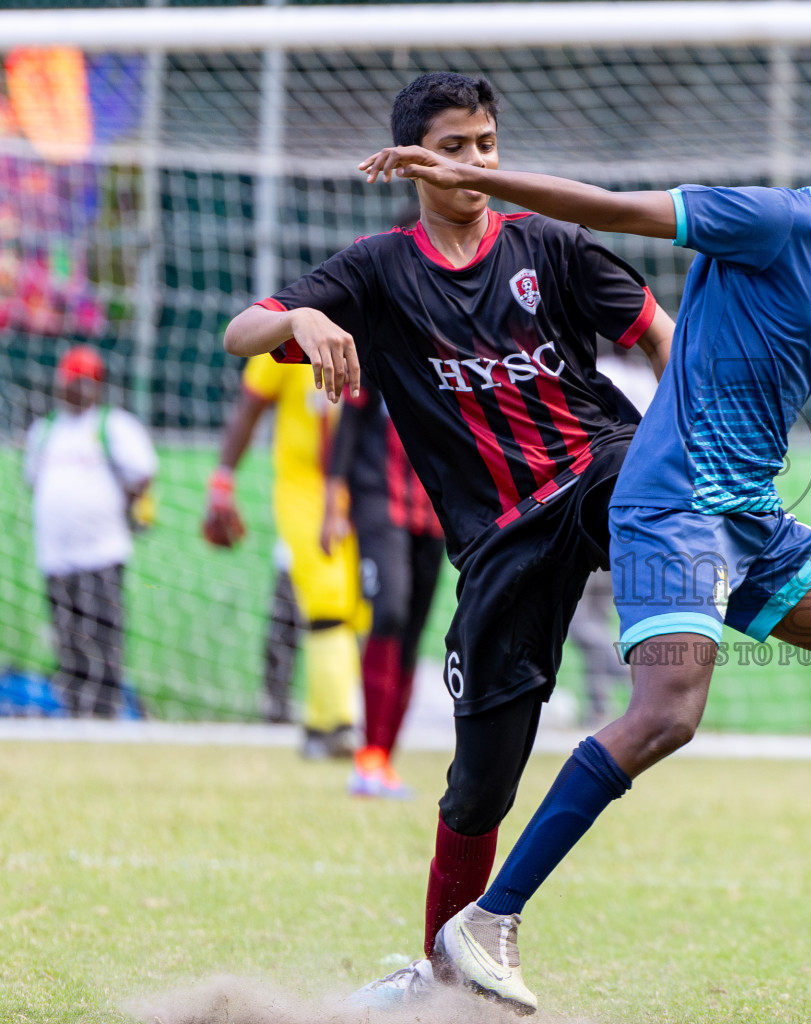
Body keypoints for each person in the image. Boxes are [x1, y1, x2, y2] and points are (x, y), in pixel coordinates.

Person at [357, 111, 811, 1010]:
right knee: (667, 714)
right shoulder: (774, 222)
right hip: (673, 509)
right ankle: (485, 923)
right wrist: (484, 185)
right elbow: (607, 207)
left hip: (749, 521)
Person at [220, 72, 675, 1006]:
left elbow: (661, 337)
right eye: (455, 146)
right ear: (411, 160)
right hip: (500, 548)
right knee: (476, 796)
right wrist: (303, 316)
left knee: (670, 490)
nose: (475, 162)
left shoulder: (552, 243)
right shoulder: (379, 270)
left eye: (488, 144)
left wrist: (683, 442)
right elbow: (241, 332)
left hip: (595, 471)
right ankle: (439, 979)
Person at [203, 349, 366, 757]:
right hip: (304, 491)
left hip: (361, 492)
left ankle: (317, 725)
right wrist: (223, 481)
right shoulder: (288, 340)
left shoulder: (378, 329)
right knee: (327, 599)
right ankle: (337, 724)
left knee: (358, 609)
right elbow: (250, 406)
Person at [321, 385, 446, 798]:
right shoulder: (380, 339)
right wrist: (333, 502)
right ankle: (369, 756)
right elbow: (351, 422)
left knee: (412, 631)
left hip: (436, 509)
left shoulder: (457, 348)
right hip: (378, 499)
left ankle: (382, 761)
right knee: (388, 612)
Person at [23, 345, 157, 718]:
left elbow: (143, 473)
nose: (80, 389)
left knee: (103, 638)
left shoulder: (112, 425)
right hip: (56, 558)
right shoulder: (45, 430)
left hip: (102, 553)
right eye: (73, 382)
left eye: (88, 382)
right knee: (68, 638)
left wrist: (124, 506)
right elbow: (33, 481)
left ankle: (106, 711)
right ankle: (76, 710)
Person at [568, 345, 657, 728]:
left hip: (593, 508)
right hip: (637, 515)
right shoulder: (651, 380)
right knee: (599, 618)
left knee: (576, 621)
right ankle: (599, 707)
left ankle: (625, 674)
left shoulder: (599, 372)